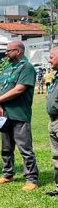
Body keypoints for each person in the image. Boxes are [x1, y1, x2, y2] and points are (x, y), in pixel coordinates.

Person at [0, 41, 39, 192]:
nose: (6, 53)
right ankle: (8, 174)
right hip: (4, 114)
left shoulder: (27, 68)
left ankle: (31, 179)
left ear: (18, 51)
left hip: (19, 114)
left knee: (25, 148)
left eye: (9, 51)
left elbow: (19, 89)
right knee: (6, 147)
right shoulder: (7, 67)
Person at [45, 47, 58, 196]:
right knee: (56, 155)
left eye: (52, 57)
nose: (49, 60)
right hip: (53, 121)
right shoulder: (55, 76)